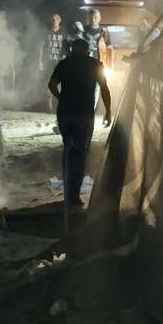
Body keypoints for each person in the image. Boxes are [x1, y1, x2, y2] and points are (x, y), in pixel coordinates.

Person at [48, 38, 112, 210]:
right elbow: (104, 88)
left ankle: (69, 193)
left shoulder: (64, 63)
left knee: (68, 150)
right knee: (81, 153)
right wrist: (108, 111)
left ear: (72, 50)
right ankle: (74, 196)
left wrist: (61, 98)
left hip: (65, 113)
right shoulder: (95, 64)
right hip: (84, 113)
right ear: (87, 50)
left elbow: (52, 85)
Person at [39, 13, 67, 112]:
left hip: (59, 62)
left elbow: (65, 46)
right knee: (50, 84)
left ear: (60, 20)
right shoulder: (47, 32)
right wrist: (40, 60)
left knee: (61, 84)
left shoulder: (63, 33)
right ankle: (49, 107)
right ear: (51, 21)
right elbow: (41, 46)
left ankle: (61, 106)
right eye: (53, 19)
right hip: (48, 61)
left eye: (56, 19)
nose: (55, 21)